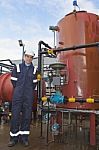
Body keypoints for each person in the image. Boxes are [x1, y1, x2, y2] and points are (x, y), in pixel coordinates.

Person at [8, 49, 38, 147]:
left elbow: (34, 84)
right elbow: (13, 81)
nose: (28, 58)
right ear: (24, 56)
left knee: (26, 117)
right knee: (15, 116)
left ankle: (24, 138)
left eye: (31, 57)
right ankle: (13, 138)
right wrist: (20, 90)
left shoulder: (34, 70)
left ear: (32, 58)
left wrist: (27, 91)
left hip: (28, 97)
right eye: (27, 56)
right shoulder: (17, 67)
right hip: (17, 96)